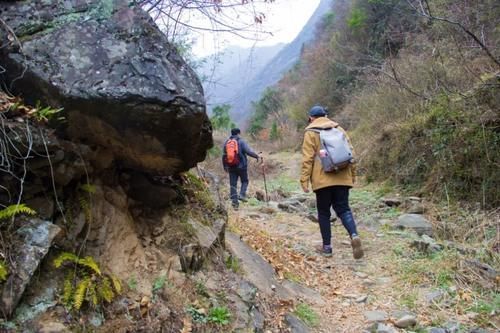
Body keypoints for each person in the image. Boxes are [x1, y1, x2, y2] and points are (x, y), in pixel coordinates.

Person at [300, 105, 364, 259]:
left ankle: (327, 248)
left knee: (323, 212)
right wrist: (353, 175)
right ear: (326, 115)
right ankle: (354, 235)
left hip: (322, 181)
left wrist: (304, 180)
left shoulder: (310, 132)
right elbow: (351, 154)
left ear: (311, 118)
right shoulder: (339, 129)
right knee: (344, 209)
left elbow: (307, 159)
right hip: (343, 177)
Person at [222, 128, 260, 210]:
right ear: (239, 133)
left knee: (233, 185)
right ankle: (242, 195)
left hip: (231, 167)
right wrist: (256, 156)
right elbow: (248, 151)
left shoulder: (227, 142)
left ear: (231, 133)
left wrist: (225, 166)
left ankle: (235, 204)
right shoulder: (241, 141)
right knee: (245, 181)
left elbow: (224, 155)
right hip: (242, 166)